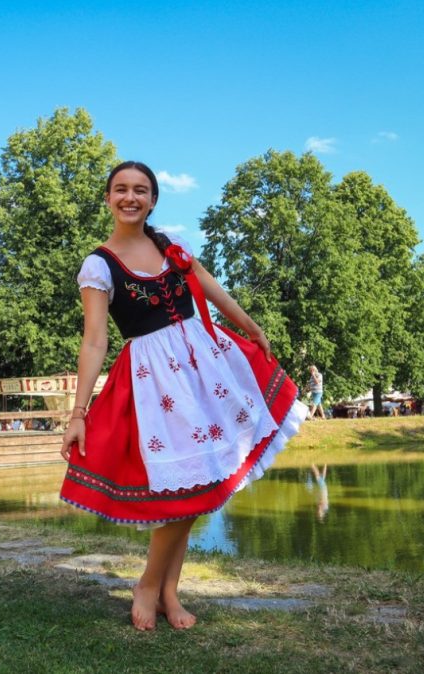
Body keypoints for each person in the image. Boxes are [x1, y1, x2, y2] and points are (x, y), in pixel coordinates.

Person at [59, 161, 307, 631]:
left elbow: (212, 291)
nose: (130, 197)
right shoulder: (99, 264)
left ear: (153, 200)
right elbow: (94, 341)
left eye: (140, 190)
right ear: (108, 198)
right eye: (120, 189)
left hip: (204, 368)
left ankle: (168, 590)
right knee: (185, 488)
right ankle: (149, 586)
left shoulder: (169, 244)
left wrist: (251, 327)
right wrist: (78, 411)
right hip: (156, 383)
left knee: (202, 486)